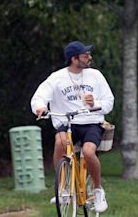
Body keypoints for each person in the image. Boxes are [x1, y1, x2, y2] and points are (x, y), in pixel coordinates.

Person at [31, 41, 114, 213]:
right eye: (85, 56)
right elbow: (40, 96)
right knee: (60, 142)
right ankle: (63, 188)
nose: (89, 58)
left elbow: (109, 102)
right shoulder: (57, 78)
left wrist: (95, 103)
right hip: (67, 122)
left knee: (89, 151)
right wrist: (40, 107)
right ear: (74, 59)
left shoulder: (96, 75)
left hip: (91, 122)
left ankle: (98, 190)